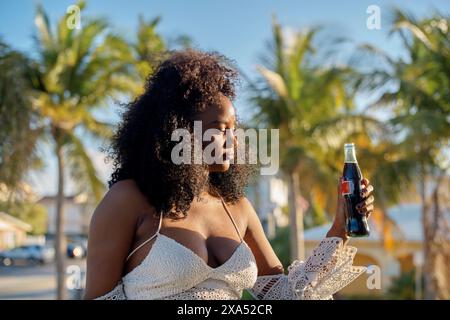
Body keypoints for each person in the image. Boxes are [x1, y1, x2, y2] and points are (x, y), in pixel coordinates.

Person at [83, 49, 374, 300]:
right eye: (223, 129)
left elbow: (286, 294)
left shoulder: (238, 208)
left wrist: (340, 228)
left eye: (235, 129)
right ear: (180, 129)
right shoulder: (129, 201)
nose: (234, 141)